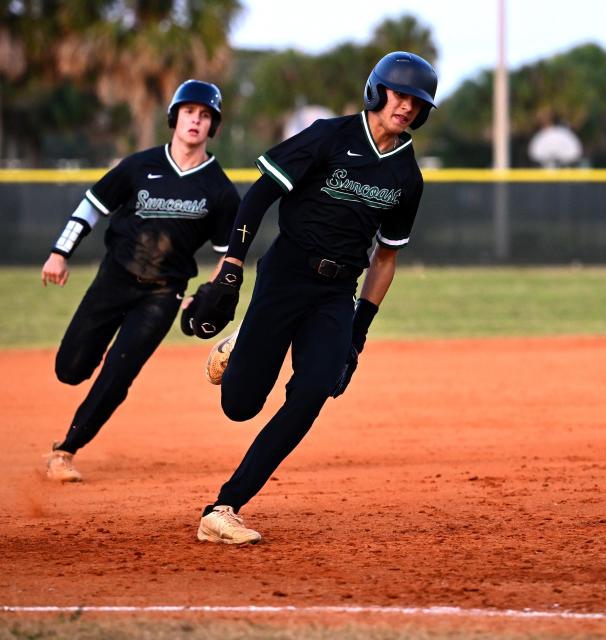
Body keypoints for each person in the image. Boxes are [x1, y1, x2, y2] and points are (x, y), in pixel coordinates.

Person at [190, 51, 438, 544]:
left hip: (336, 292)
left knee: (316, 389)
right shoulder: (330, 136)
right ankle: (240, 347)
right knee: (239, 406)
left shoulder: (407, 176)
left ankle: (224, 507)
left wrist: (358, 330)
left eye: (417, 101)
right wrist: (232, 264)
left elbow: (386, 258)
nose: (406, 106)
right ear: (377, 91)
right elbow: (259, 194)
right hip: (285, 276)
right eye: (399, 93)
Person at [41, 80, 240, 482]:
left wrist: (209, 296)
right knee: (71, 369)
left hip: (164, 293)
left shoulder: (219, 189)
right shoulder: (139, 165)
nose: (196, 121)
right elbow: (90, 207)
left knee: (119, 373)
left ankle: (65, 452)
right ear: (174, 117)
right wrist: (60, 253)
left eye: (205, 116)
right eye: (189, 113)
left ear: (212, 126)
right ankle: (87, 358)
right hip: (114, 279)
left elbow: (226, 255)